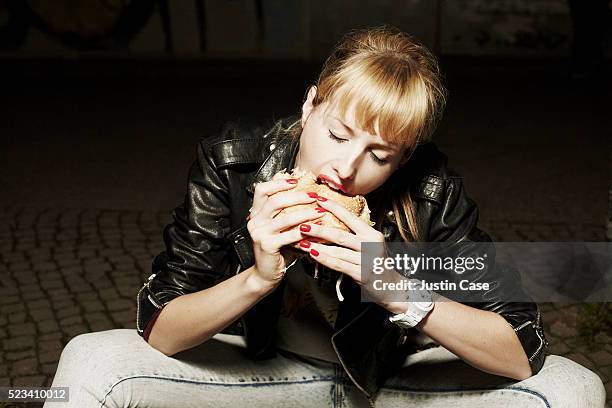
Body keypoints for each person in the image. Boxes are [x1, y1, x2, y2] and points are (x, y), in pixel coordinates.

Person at [45, 26, 605, 408]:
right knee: (91, 360)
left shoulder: (432, 191)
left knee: (573, 387)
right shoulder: (235, 162)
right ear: (311, 104)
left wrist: (396, 289)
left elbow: (521, 353)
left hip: (390, 386)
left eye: (380, 155)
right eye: (337, 133)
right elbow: (162, 330)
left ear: (405, 157)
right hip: (270, 375)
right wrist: (258, 277)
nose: (345, 166)